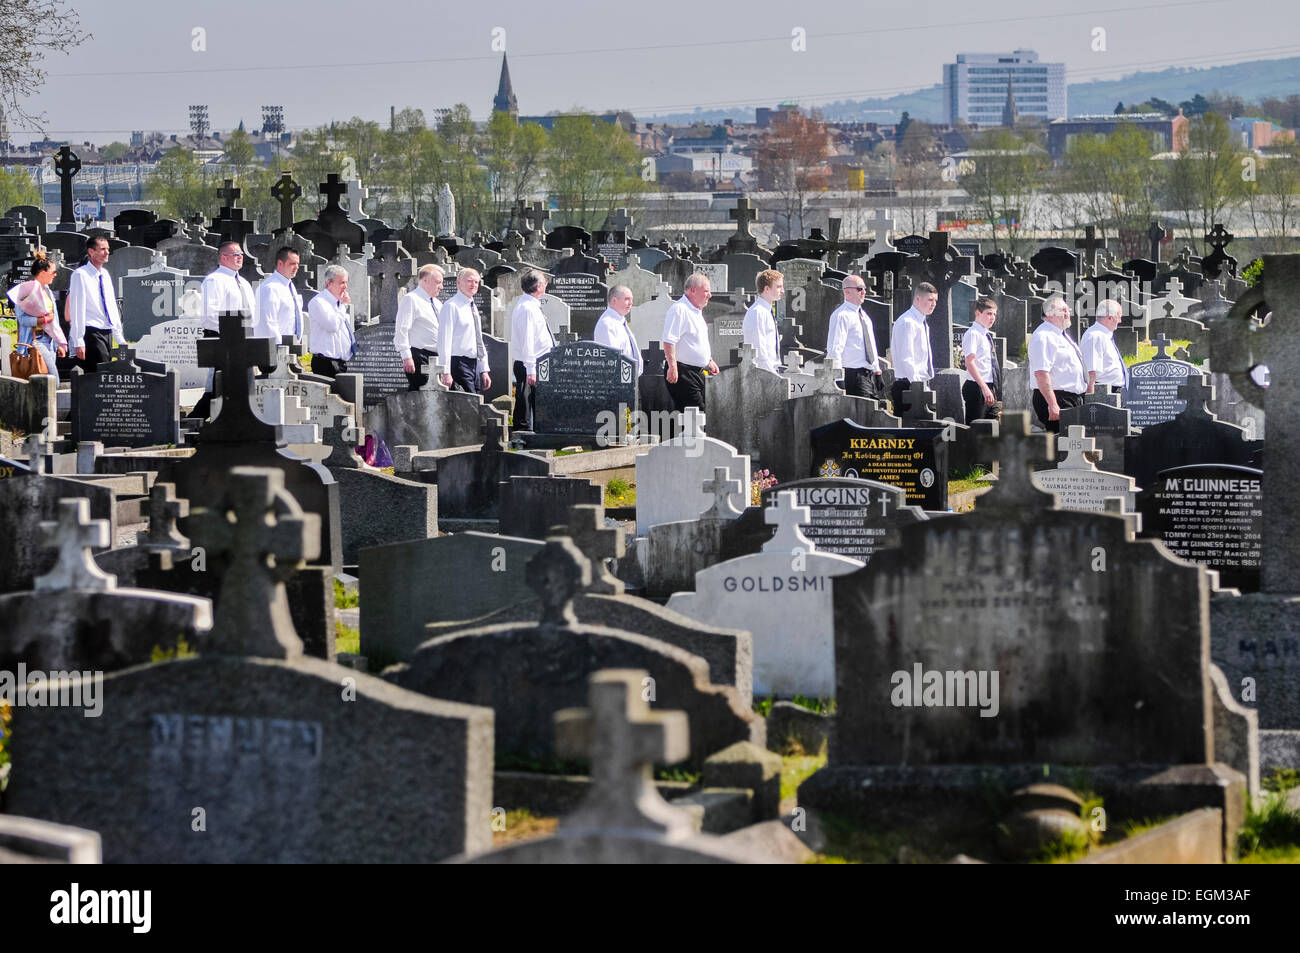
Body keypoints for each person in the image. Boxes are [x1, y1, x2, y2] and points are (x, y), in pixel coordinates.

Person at [1029, 294, 1087, 432]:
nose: (1068, 313)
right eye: (1063, 310)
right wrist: (1053, 404)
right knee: (1062, 444)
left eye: (1068, 310)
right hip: (1057, 399)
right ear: (1049, 314)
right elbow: (1041, 373)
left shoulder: (1060, 335)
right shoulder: (1043, 336)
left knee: (1073, 442)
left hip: (1071, 398)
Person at [66, 233, 122, 373]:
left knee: (105, 373)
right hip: (91, 331)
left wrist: (118, 336)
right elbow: (77, 309)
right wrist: (78, 340)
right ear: (91, 252)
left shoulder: (105, 274)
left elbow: (110, 305)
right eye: (103, 249)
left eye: (108, 249)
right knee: (99, 374)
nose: (107, 252)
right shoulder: (80, 275)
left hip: (106, 330)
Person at [662, 273, 718, 413]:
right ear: (692, 290)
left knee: (700, 416)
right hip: (683, 373)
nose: (709, 295)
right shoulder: (679, 310)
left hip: (696, 372)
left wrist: (708, 361)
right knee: (696, 415)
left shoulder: (695, 310)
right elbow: (669, 340)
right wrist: (672, 366)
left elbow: (696, 340)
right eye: (706, 291)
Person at [8, 253, 67, 384]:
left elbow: (55, 319)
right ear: (42, 272)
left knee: (45, 383)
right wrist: (42, 320)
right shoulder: (25, 290)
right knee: (53, 381)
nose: (55, 275)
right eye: (52, 272)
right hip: (35, 340)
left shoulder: (48, 291)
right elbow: (22, 319)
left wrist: (59, 343)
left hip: (50, 341)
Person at [508, 269, 555, 429]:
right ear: (539, 286)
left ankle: (536, 430)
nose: (546, 286)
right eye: (544, 283)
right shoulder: (527, 308)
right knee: (525, 403)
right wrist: (531, 369)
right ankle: (522, 433)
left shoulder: (531, 305)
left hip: (536, 362)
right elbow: (527, 340)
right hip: (529, 363)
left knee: (534, 402)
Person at [826, 273, 884, 398]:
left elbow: (870, 345)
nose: (863, 292)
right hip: (852, 374)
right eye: (859, 288)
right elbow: (835, 348)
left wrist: (877, 370)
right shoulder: (842, 315)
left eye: (864, 288)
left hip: (867, 374)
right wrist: (838, 379)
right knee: (861, 415)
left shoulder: (864, 316)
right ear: (847, 292)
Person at [438, 268, 491, 394]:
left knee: (476, 404)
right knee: (467, 406)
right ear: (459, 282)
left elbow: (478, 339)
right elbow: (444, 340)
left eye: (476, 282)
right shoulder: (451, 306)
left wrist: (484, 369)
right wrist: (446, 371)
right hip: (458, 364)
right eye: (469, 281)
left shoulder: (472, 306)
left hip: (475, 364)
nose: (473, 284)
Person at [889, 281, 938, 415]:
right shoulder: (908, 323)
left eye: (935, 300)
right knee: (909, 430)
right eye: (930, 299)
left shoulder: (921, 323)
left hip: (919, 383)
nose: (933, 304)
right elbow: (907, 358)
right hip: (909, 385)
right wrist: (918, 387)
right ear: (917, 298)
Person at [394, 264, 443, 391]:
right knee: (420, 393)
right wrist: (406, 356)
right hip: (418, 356)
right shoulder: (411, 299)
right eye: (438, 282)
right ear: (425, 280)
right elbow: (402, 329)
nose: (441, 287)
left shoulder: (437, 303)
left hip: (436, 357)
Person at [306, 264, 355, 379]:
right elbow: (332, 325)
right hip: (326, 363)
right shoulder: (319, 302)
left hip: (340, 362)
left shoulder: (338, 303)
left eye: (346, 282)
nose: (345, 287)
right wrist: (344, 306)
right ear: (329, 283)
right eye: (341, 283)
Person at [200, 241, 257, 338]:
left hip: (246, 337)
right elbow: (209, 315)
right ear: (223, 257)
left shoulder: (244, 283)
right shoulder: (214, 280)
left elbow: (252, 312)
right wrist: (232, 332)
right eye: (236, 254)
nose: (240, 257)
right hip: (221, 338)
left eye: (241, 254)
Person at [960, 296, 1000, 423]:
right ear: (977, 313)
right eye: (988, 314)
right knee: (976, 430)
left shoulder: (985, 334)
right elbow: (970, 362)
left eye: (994, 314)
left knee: (993, 427)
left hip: (989, 386)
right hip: (977, 387)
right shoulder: (973, 334)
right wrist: (984, 388)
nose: (992, 317)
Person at [252, 247, 304, 343]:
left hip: (291, 346)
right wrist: (281, 348)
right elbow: (267, 323)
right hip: (277, 348)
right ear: (280, 264)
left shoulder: (289, 285)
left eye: (297, 264)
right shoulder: (270, 288)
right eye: (292, 264)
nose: (296, 267)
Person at [593, 284, 643, 376]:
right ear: (614, 300)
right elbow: (610, 359)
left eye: (631, 299)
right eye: (627, 299)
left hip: (628, 377)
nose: (631, 303)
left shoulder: (619, 321)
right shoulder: (607, 324)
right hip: (618, 379)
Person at [1080, 298, 1127, 395]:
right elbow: (1091, 372)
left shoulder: (1104, 335)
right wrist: (1091, 401)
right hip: (1105, 392)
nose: (1120, 320)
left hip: (1114, 391)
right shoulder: (1095, 336)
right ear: (1110, 318)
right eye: (1119, 316)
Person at [741, 269, 784, 372]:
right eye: (778, 287)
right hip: (764, 373)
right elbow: (759, 349)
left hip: (771, 370)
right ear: (767, 289)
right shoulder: (758, 313)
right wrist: (771, 374)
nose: (783, 291)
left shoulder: (766, 311)